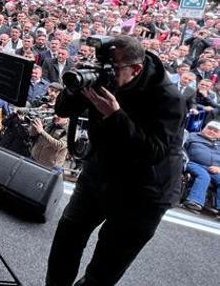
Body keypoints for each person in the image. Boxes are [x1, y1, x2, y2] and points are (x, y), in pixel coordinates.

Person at [46, 36, 185, 286]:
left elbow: (154, 151)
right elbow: (63, 110)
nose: (106, 73)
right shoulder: (104, 77)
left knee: (104, 267)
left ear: (136, 70)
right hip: (102, 172)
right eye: (103, 66)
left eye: (113, 68)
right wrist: (75, 85)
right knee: (68, 235)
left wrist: (115, 115)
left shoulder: (168, 98)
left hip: (144, 192)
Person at [182, 121, 220, 215]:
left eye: (215, 131)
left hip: (214, 169)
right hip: (193, 163)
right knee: (204, 175)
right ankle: (193, 201)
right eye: (209, 128)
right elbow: (181, 148)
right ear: (204, 128)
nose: (211, 131)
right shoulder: (192, 136)